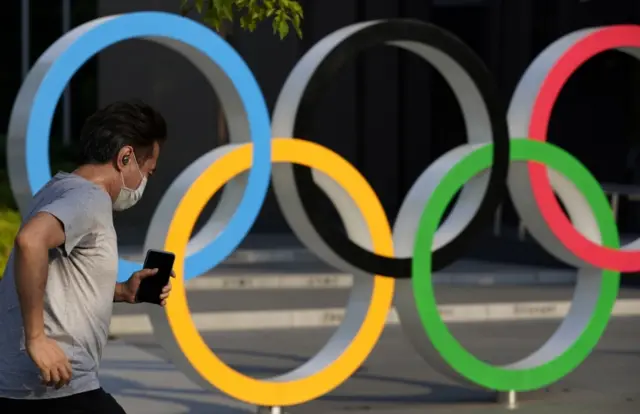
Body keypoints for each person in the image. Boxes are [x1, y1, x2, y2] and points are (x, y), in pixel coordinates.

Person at [0, 99, 173, 413]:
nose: (145, 183)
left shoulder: (57, 188)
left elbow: (57, 275)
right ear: (125, 157)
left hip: (37, 386)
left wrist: (121, 291)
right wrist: (36, 338)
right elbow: (30, 242)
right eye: (148, 172)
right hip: (58, 387)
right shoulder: (89, 198)